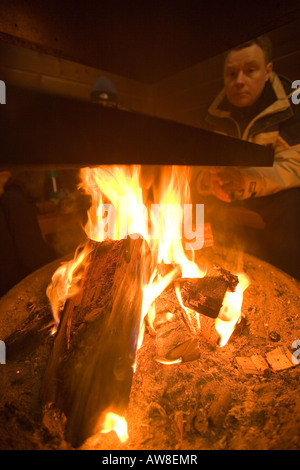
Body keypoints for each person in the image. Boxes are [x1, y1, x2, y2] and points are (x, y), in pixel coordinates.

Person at [192, 35, 300, 279]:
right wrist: (205, 180)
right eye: (231, 74)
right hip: (222, 193)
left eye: (250, 70)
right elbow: (194, 164)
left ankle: (286, 283)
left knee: (294, 201)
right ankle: (193, 269)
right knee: (188, 198)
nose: (239, 81)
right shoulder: (211, 113)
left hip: (269, 194)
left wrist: (247, 181)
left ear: (267, 71)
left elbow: (295, 166)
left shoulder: (291, 105)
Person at [0, 171, 57, 296]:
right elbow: (31, 254)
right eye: (41, 181)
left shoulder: (11, 198)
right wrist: (59, 264)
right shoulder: (15, 201)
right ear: (31, 181)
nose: (42, 188)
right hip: (15, 285)